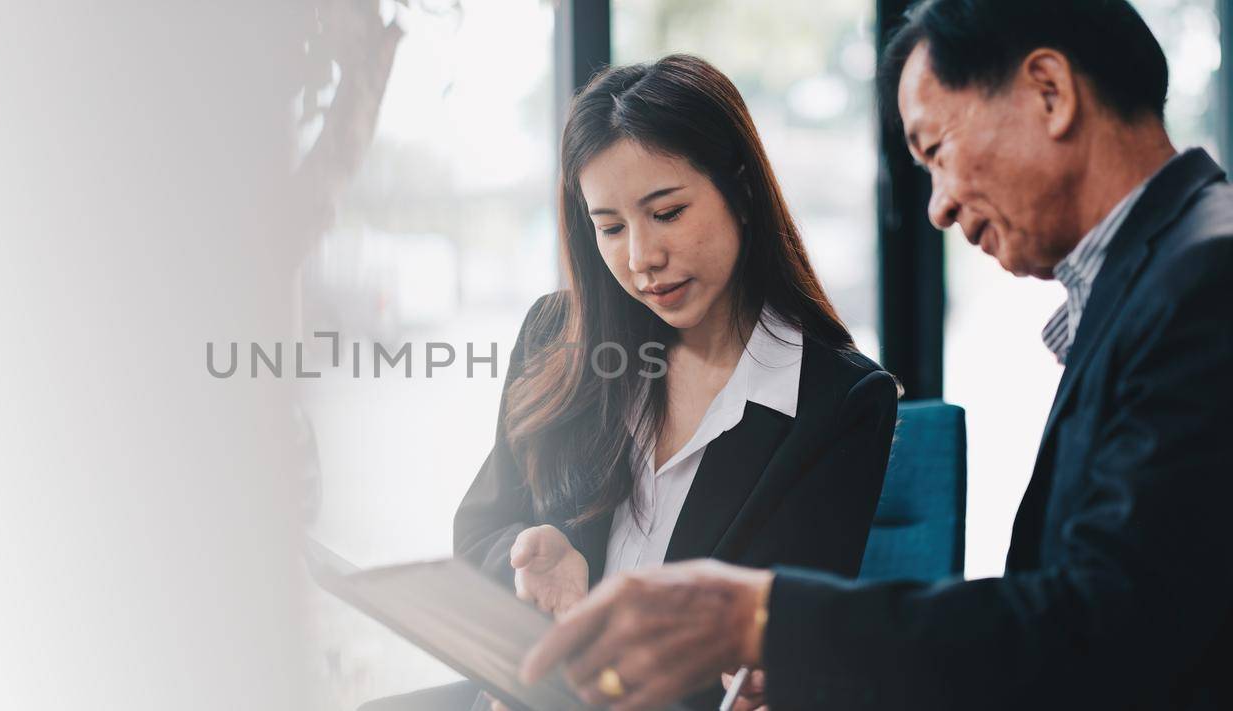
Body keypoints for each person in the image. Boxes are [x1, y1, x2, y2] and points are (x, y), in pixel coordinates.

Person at [516, 1, 1233, 709]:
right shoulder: (1166, 273)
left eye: (937, 152)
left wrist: (760, 619)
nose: (939, 206)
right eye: (609, 225)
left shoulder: (1205, 282)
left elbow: (1105, 628)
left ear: (1049, 91)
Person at [362, 54, 900, 711]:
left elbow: (775, 652)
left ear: (742, 191)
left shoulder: (837, 402)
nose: (641, 259)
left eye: (666, 212)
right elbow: (479, 534)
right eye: (611, 227)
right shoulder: (557, 337)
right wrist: (536, 570)